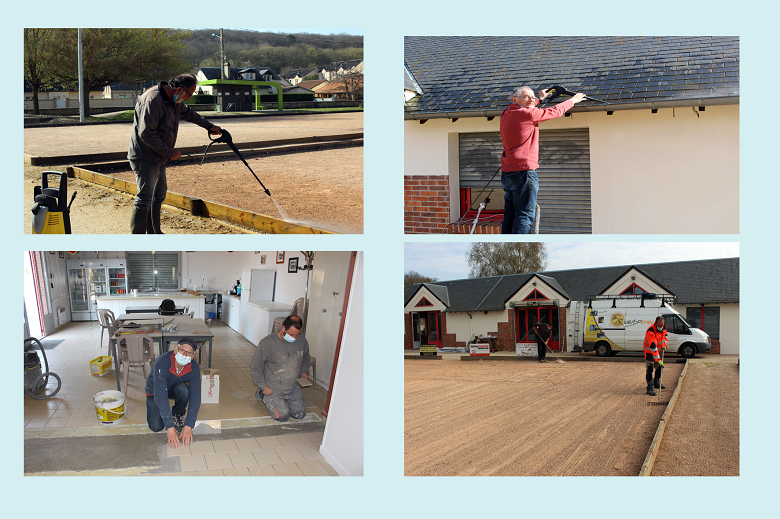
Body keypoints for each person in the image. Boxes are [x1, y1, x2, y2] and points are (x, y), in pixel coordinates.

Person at [128, 73, 222, 234]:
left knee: (158, 195)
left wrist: (209, 126)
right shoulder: (152, 100)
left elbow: (190, 114)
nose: (189, 98)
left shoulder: (175, 100)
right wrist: (169, 152)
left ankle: (154, 233)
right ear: (179, 89)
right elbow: (146, 134)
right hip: (145, 157)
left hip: (159, 158)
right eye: (189, 94)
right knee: (144, 199)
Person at [499, 86, 586, 234]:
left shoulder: (506, 113)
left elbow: (529, 106)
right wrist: (573, 100)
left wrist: (540, 98)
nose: (531, 99)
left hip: (508, 172)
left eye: (533, 96)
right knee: (524, 214)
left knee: (511, 214)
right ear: (515, 99)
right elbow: (554, 111)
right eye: (527, 97)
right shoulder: (528, 114)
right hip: (524, 171)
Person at [251, 315, 311, 422]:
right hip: (273, 387)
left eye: (297, 335)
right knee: (282, 416)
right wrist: (263, 385)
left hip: (293, 387)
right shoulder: (267, 343)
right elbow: (256, 366)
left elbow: (306, 356)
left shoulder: (301, 339)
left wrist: (304, 370)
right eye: (292, 334)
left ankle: (283, 401)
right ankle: (262, 393)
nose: (294, 338)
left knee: (299, 414)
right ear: (283, 328)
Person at [145, 337, 201, 448]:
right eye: (182, 350)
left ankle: (178, 414)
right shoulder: (162, 363)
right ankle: (166, 416)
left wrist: (189, 425)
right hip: (155, 391)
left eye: (189, 353)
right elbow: (160, 396)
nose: (184, 355)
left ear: (193, 356)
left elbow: (196, 396)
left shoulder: (194, 368)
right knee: (156, 427)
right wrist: (170, 426)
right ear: (175, 349)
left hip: (174, 388)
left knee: (184, 390)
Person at [643, 316, 668, 396]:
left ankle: (656, 382)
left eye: (662, 325)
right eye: (659, 325)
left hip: (659, 351)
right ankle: (650, 387)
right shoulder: (650, 331)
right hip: (649, 351)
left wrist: (664, 345)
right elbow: (653, 347)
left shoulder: (664, 327)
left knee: (659, 367)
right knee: (650, 368)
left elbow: (665, 337)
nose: (661, 327)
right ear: (655, 323)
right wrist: (658, 359)